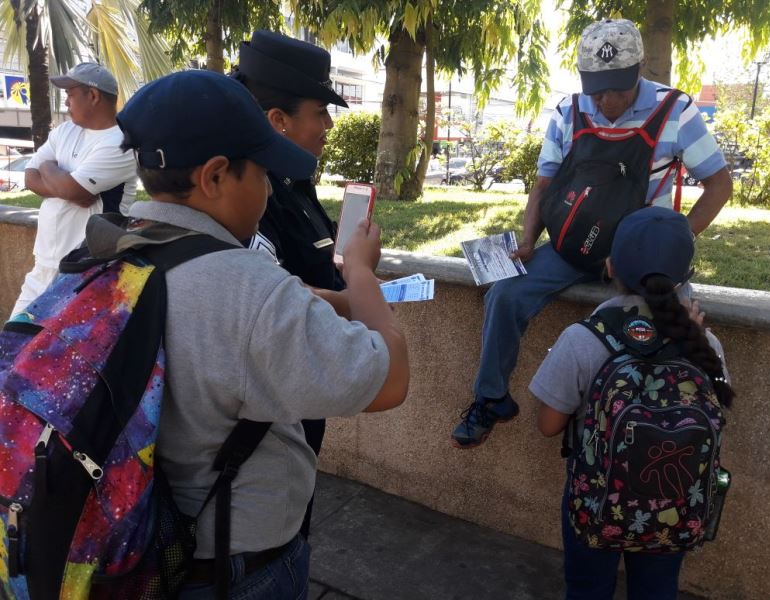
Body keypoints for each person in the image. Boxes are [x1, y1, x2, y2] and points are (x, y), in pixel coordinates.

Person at [113, 69, 409, 598]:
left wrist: (328, 301)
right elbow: (390, 381)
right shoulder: (245, 286)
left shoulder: (103, 253)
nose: (270, 189)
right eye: (263, 173)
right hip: (235, 566)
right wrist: (361, 271)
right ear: (215, 177)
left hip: (133, 546)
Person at [451, 18, 733, 448]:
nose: (607, 101)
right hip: (570, 245)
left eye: (618, 88)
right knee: (505, 295)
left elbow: (719, 184)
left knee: (680, 325)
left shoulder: (675, 110)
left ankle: (683, 426)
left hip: (643, 256)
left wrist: (676, 241)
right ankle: (491, 399)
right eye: (597, 90)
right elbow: (544, 184)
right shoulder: (569, 111)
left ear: (639, 70)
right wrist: (527, 241)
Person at [530, 207, 734, 599]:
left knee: (588, 589)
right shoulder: (703, 343)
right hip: (673, 503)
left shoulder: (583, 338)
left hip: (595, 499)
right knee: (657, 590)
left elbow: (548, 425)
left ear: (610, 266)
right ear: (685, 277)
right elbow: (717, 413)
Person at [230, 30, 350, 537]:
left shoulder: (294, 181)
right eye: (320, 112)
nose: (328, 125)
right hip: (270, 414)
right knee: (277, 536)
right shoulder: (253, 198)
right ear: (278, 120)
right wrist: (360, 294)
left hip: (302, 393)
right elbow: (276, 298)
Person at [10, 62, 137, 319]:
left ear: (93, 95)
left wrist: (56, 176)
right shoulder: (66, 131)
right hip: (44, 263)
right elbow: (30, 177)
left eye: (70, 94)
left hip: (86, 270)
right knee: (13, 337)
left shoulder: (121, 143)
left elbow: (73, 190)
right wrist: (57, 177)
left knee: (60, 345)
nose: (66, 102)